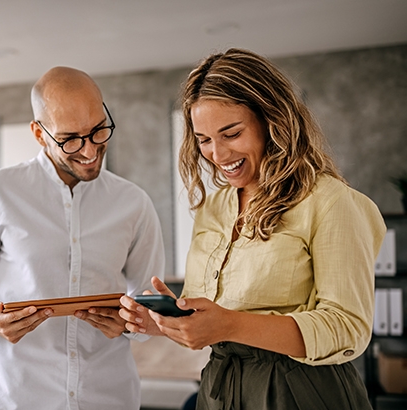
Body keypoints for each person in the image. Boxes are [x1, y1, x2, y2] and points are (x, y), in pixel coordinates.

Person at [119, 48, 386, 410]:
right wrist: (166, 324)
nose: (217, 153)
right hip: (220, 389)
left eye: (231, 133)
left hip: (302, 391)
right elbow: (212, 323)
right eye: (204, 139)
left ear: (272, 121)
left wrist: (229, 325)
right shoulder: (213, 208)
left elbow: (346, 328)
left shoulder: (329, 201)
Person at [0, 66, 166, 409]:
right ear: (39, 133)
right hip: (21, 397)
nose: (90, 150)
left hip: (109, 396)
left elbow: (148, 300)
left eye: (98, 131)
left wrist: (132, 322)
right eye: (70, 139)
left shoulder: (134, 203)